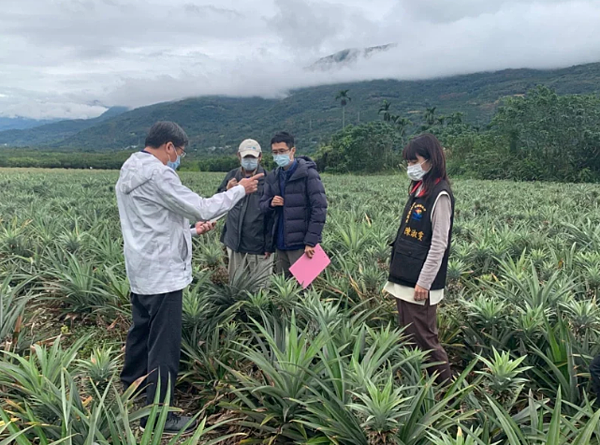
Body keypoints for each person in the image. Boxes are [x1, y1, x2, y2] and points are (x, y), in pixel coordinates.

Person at [116, 121, 262, 435]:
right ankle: (158, 415)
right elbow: (201, 207)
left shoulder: (130, 169)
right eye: (178, 152)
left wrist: (191, 231)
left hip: (142, 268)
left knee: (141, 330)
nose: (177, 159)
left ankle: (131, 387)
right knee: (163, 345)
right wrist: (240, 189)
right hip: (164, 274)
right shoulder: (159, 173)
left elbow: (154, 222)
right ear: (169, 146)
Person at [384, 133, 454, 385]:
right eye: (407, 162)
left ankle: (448, 393)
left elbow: (439, 244)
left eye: (414, 160)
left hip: (419, 283)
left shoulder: (440, 194)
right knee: (408, 337)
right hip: (406, 275)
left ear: (431, 160)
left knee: (425, 340)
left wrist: (424, 282)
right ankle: (419, 387)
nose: (410, 166)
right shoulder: (419, 189)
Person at [260, 131, 327, 278]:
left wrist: (311, 241)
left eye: (282, 151)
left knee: (305, 290)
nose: (278, 156)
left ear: (293, 150)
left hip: (302, 246)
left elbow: (319, 209)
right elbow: (262, 206)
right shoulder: (273, 176)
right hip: (280, 243)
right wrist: (271, 203)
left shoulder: (308, 174)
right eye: (275, 152)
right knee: (285, 290)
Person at [217, 139, 272, 287]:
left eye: (253, 157)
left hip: (258, 246)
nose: (249, 160)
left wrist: (269, 245)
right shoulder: (232, 176)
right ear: (239, 156)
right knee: (237, 287)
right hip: (235, 244)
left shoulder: (269, 180)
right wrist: (227, 191)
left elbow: (273, 215)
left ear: (260, 157)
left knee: (260, 290)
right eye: (246, 157)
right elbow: (218, 202)